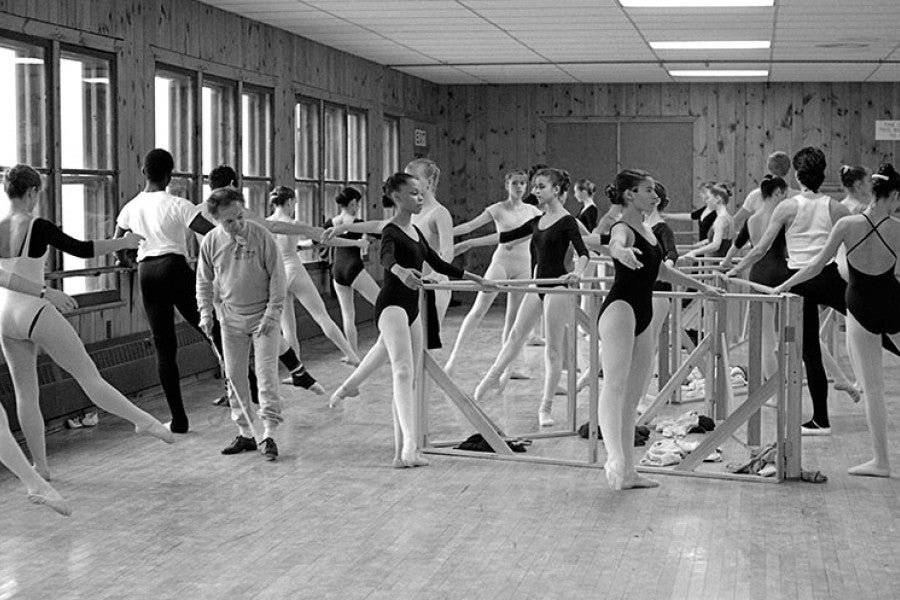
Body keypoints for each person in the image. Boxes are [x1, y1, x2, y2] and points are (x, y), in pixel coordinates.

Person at [1, 165, 173, 484]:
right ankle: (142, 421)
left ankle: (41, 467)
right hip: (35, 310)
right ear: (33, 192)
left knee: (26, 393)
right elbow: (82, 249)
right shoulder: (36, 225)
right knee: (89, 377)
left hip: (5, 317)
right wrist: (123, 243)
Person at [340, 172, 490, 467]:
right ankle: (410, 442)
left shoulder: (416, 233)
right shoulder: (391, 230)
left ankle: (400, 453)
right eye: (413, 194)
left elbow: (437, 262)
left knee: (409, 376)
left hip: (414, 308)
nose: (420, 199)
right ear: (396, 198)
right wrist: (401, 272)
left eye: (421, 194)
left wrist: (477, 280)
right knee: (402, 372)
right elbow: (385, 259)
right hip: (392, 305)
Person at [771, 163, 900, 476]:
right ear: (893, 195)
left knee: (873, 388)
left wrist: (784, 285)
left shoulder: (848, 225)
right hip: (893, 304)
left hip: (858, 306)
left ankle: (881, 462)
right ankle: (879, 461)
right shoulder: (897, 227)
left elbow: (816, 266)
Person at [597, 169, 720, 490]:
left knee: (633, 394)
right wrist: (619, 251)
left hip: (643, 312)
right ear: (629, 195)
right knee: (615, 386)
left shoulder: (650, 230)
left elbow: (662, 269)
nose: (655, 196)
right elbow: (616, 244)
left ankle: (628, 471)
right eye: (648, 191)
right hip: (620, 309)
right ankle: (614, 457)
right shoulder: (623, 226)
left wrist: (701, 287)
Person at [727, 146, 860, 434]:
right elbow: (853, 251)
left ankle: (821, 420)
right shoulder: (836, 207)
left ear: (797, 175)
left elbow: (761, 247)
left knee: (810, 352)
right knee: (869, 321)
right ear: (822, 174)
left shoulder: (787, 206)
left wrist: (736, 269)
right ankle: (822, 416)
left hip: (800, 280)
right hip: (828, 278)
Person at [458, 168, 590, 427]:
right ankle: (492, 376)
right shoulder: (537, 220)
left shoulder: (567, 222)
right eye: (535, 187)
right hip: (537, 284)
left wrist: (577, 272)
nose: (535, 191)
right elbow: (504, 236)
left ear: (556, 191)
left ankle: (546, 407)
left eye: (540, 187)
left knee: (552, 350)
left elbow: (584, 252)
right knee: (516, 334)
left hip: (556, 287)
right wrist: (470, 244)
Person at [197, 188, 284, 461]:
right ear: (216, 221)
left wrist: (272, 313)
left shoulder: (261, 236)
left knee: (266, 374)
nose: (237, 225)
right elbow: (203, 281)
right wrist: (206, 314)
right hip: (230, 319)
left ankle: (269, 433)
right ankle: (246, 433)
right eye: (229, 221)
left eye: (240, 217)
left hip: (264, 318)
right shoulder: (211, 242)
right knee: (234, 377)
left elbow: (278, 277)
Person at [444, 169, 541, 378]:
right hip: (501, 264)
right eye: (515, 183)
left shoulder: (533, 211)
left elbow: (538, 232)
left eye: (522, 184)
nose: (519, 187)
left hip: (524, 265)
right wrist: (445, 232)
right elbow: (471, 225)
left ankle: (507, 368)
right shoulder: (497, 209)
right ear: (507, 185)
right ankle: (454, 358)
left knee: (514, 318)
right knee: (479, 309)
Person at [267, 186, 360, 365]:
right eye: (294, 203)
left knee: (288, 328)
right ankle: (351, 354)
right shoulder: (294, 224)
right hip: (295, 270)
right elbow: (327, 238)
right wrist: (354, 242)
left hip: (278, 275)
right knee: (321, 316)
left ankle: (297, 371)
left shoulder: (267, 224)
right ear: (289, 202)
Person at [322, 187, 381, 358]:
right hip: (353, 267)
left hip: (337, 270)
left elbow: (315, 239)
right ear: (353, 203)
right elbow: (379, 234)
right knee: (383, 304)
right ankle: (386, 344)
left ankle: (353, 355)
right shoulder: (357, 222)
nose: (358, 208)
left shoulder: (330, 223)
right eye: (358, 204)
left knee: (348, 315)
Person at [732, 151, 797, 233]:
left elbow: (735, 220)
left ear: (769, 168)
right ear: (788, 169)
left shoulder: (755, 195)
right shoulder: (796, 196)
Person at [684, 183, 734, 260]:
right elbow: (724, 239)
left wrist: (695, 252)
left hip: (718, 264)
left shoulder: (720, 220)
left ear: (717, 199)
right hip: (723, 261)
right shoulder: (728, 217)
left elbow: (716, 245)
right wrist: (707, 241)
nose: (706, 202)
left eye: (708, 198)